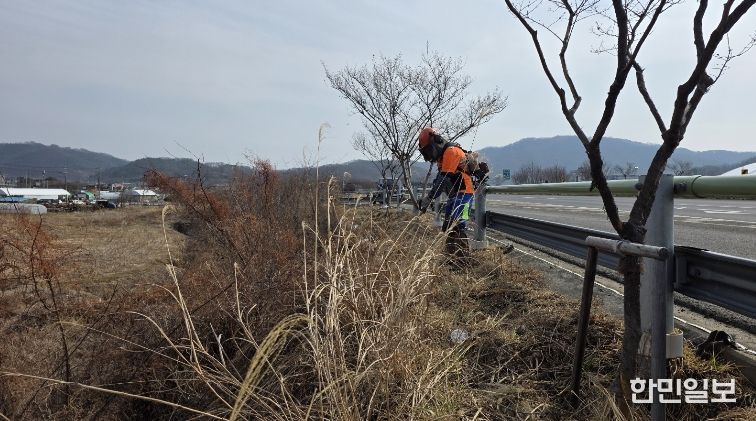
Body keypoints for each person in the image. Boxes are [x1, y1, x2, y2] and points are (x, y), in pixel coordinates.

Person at [417, 127, 476, 263]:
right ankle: (450, 257)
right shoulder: (442, 158)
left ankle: (462, 260)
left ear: (435, 143)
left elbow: (443, 179)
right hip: (455, 195)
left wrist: (429, 198)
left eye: (428, 150)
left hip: (465, 193)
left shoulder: (451, 152)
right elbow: (439, 180)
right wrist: (430, 197)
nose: (428, 155)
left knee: (458, 224)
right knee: (448, 225)